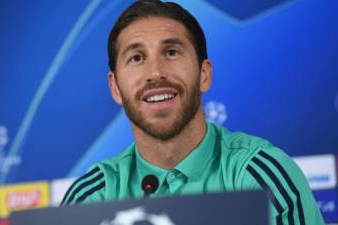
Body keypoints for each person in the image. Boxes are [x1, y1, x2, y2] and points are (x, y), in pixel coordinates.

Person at [61, 1, 325, 224]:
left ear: (204, 75)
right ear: (115, 87)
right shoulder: (91, 199)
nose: (155, 73)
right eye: (137, 58)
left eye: (172, 52)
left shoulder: (261, 176)